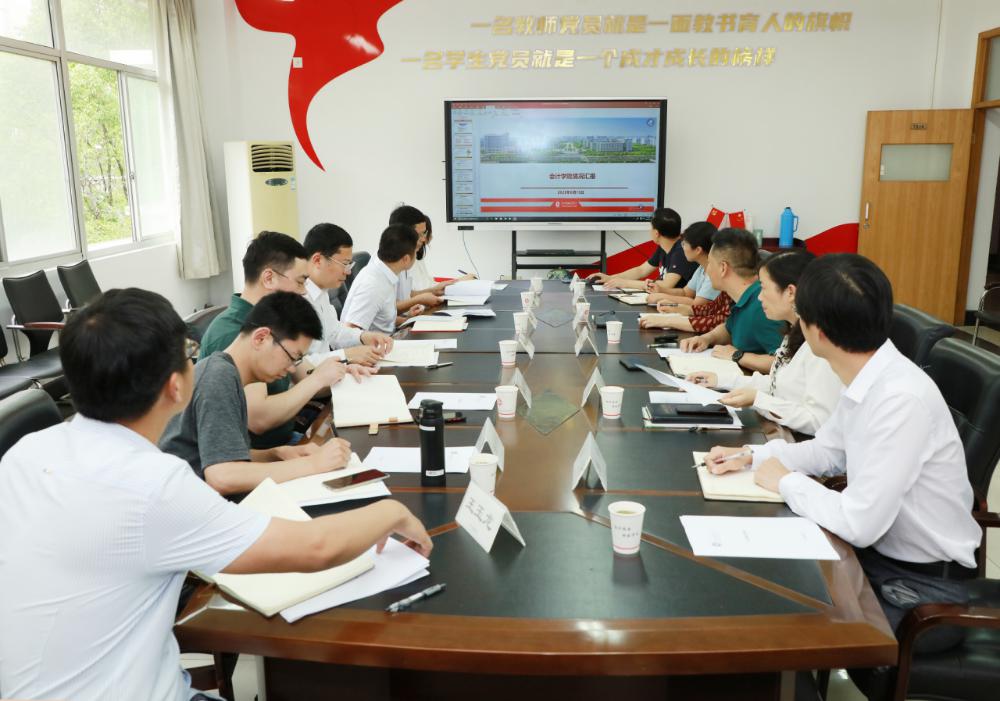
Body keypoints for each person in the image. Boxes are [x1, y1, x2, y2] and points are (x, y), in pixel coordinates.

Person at [0, 288, 431, 701]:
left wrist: (271, 456)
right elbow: (315, 548)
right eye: (190, 355)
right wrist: (390, 511)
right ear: (176, 386)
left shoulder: (25, 454)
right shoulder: (155, 485)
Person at [706, 254, 980, 653]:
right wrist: (754, 457)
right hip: (878, 560)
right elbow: (829, 451)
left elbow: (859, 522)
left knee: (767, 619)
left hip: (920, 592)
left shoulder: (900, 399)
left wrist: (786, 481)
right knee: (754, 586)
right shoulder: (869, 374)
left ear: (815, 331)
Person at [161, 292, 356, 496]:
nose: (291, 368)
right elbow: (222, 476)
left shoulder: (225, 372)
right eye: (292, 357)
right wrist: (314, 464)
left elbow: (217, 455)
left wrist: (274, 454)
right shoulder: (218, 376)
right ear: (261, 338)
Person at [199, 231, 363, 449]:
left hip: (285, 442)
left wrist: (340, 373)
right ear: (269, 278)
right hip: (260, 455)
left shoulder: (273, 319)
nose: (304, 292)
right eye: (300, 281)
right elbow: (259, 419)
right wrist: (317, 379)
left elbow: (305, 376)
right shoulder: (235, 331)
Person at [686, 250, 843, 436]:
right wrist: (721, 380)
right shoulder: (795, 331)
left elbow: (818, 422)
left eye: (764, 288)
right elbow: (777, 384)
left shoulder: (821, 345)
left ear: (790, 292)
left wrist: (758, 401)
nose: (759, 297)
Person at [678, 228, 784, 373]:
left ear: (723, 268)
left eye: (710, 263)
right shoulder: (742, 296)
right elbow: (729, 328)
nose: (707, 270)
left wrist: (738, 356)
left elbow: (783, 364)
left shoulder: (762, 306)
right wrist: (707, 338)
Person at [302, 222, 393, 367]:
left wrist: (363, 336)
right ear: (318, 260)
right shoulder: (297, 298)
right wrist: (348, 355)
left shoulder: (321, 292)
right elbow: (300, 365)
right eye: (345, 264)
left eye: (350, 265)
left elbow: (334, 332)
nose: (348, 271)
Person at [587, 208, 696, 292]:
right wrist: (610, 278)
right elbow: (641, 270)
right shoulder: (664, 246)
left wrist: (625, 283)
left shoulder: (681, 251)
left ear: (656, 233)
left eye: (651, 227)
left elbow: (666, 285)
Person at [342, 223, 422, 334]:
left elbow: (381, 322)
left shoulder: (386, 274)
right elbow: (351, 331)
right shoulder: (373, 285)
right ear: (406, 259)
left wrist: (407, 319)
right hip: (381, 344)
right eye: (416, 252)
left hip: (389, 338)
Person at [387, 205, 448, 313]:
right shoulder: (387, 263)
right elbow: (387, 309)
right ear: (402, 235)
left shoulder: (405, 256)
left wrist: (434, 290)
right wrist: (420, 299)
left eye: (424, 233)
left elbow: (406, 294)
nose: (424, 239)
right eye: (419, 235)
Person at [645, 221, 720, 308]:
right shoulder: (702, 268)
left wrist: (663, 296)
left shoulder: (715, 272)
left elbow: (697, 304)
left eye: (684, 244)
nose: (682, 248)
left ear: (698, 250)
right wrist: (660, 289)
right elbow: (686, 292)